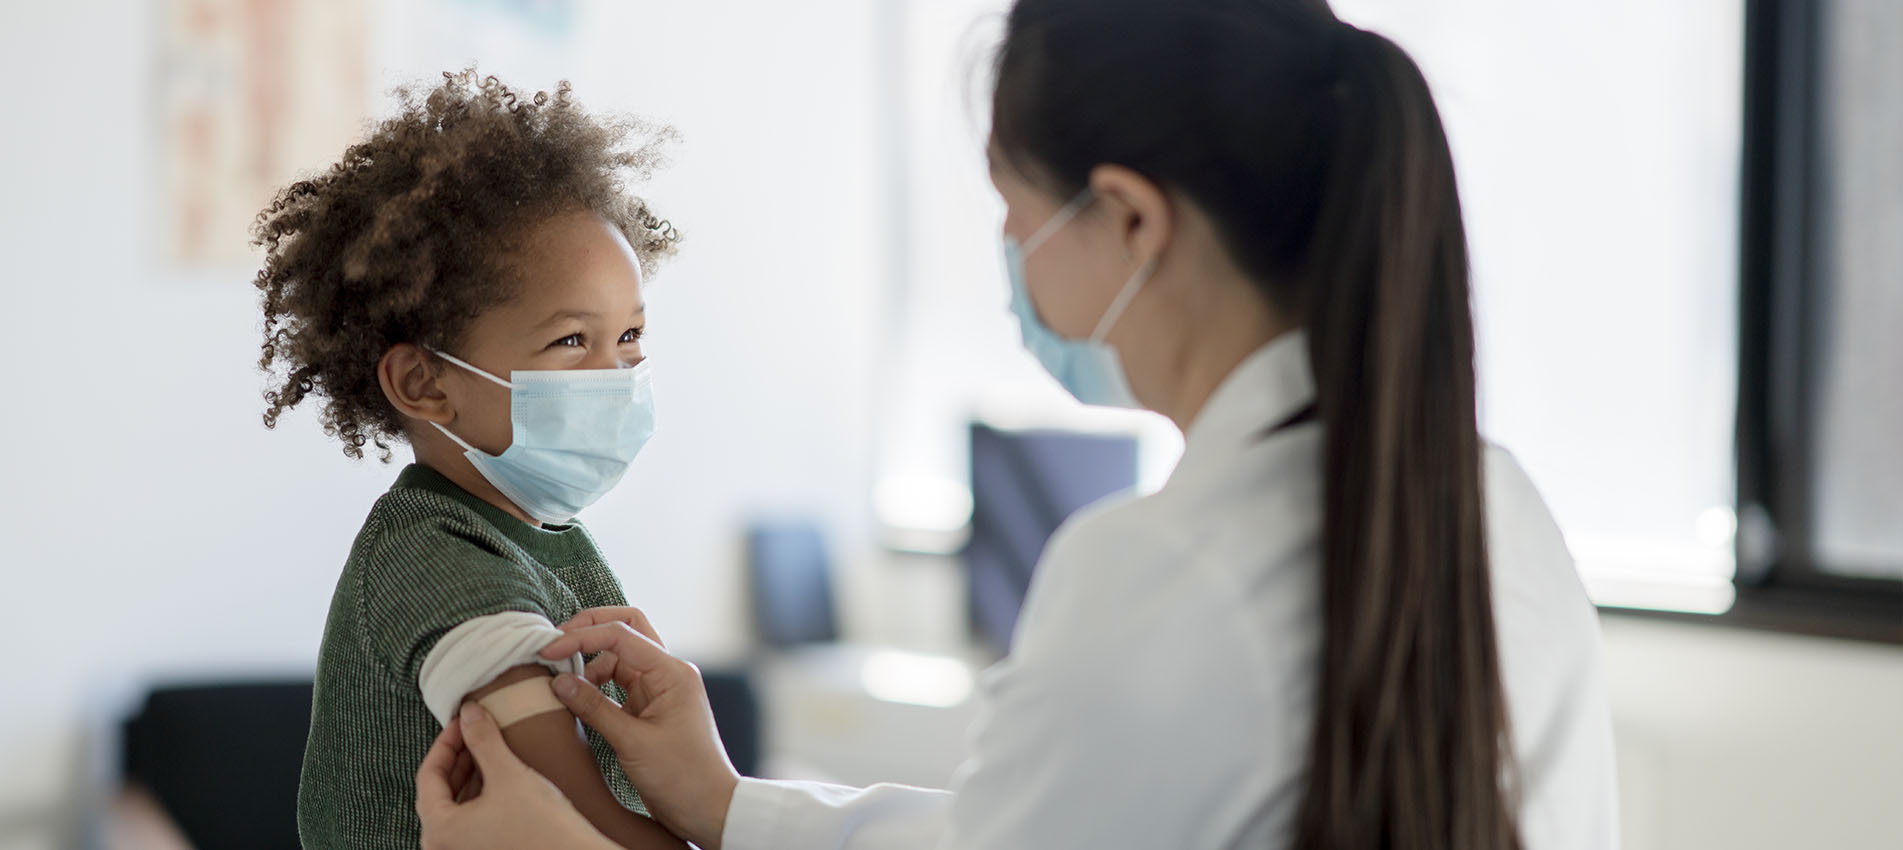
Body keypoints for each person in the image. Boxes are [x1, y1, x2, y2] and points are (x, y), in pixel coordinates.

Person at [419, 1, 1620, 847]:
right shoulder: (1494, 502)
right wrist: (730, 805)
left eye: (1014, 211)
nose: (1010, 263)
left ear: (1134, 223)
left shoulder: (1162, 571)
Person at [253, 68, 689, 849]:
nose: (616, 378)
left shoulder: (531, 533)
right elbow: (581, 823)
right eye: (569, 343)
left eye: (628, 338)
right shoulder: (439, 560)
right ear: (424, 383)